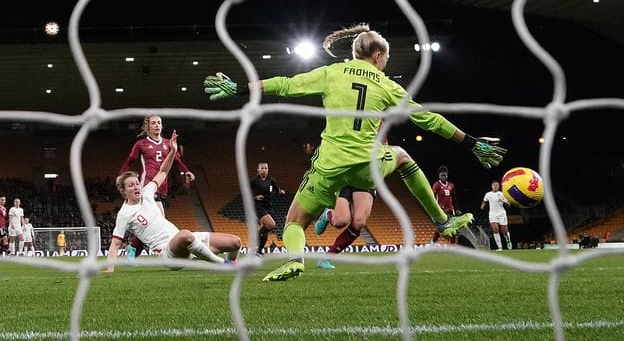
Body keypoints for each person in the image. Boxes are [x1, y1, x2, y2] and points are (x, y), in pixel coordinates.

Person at [204, 23, 506, 281]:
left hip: (330, 163)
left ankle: (296, 259)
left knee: (294, 223)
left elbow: (285, 85)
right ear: (377, 55)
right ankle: (441, 220)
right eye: (385, 58)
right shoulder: (388, 86)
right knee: (402, 156)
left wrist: (240, 90)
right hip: (369, 163)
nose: (385, 63)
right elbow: (429, 119)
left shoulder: (332, 72)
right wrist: (471, 142)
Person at [105, 130, 241, 272]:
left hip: (184, 243)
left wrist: (172, 151)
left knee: (235, 242)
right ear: (123, 191)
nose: (136, 186)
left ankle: (231, 265)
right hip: (168, 254)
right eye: (131, 185)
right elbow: (115, 243)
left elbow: (162, 172)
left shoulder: (147, 192)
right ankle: (223, 265)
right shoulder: (125, 214)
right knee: (184, 234)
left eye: (137, 183)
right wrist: (110, 269)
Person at [118, 115, 196, 260]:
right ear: (148, 127)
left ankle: (132, 251)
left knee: (155, 223)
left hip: (162, 187)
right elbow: (129, 161)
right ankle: (161, 251)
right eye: (153, 123)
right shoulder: (141, 144)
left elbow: (177, 160)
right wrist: (121, 176)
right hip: (147, 186)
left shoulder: (168, 143)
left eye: (159, 123)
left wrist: (187, 171)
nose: (157, 125)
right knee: (159, 220)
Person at [314, 186, 376, 269]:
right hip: (344, 176)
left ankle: (326, 258)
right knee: (340, 222)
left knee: (359, 223)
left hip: (364, 177)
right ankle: (328, 213)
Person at [250, 162, 286, 256]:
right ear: (258, 170)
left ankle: (258, 251)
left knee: (265, 234)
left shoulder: (271, 180)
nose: (264, 170)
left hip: (268, 206)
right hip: (259, 207)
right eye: (262, 168)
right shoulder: (254, 181)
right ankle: (256, 235)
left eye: (266, 168)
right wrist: (254, 197)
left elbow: (277, 190)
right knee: (271, 225)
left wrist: (280, 192)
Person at [480, 180, 512, 250]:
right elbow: (484, 201)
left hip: (502, 213)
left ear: (499, 186)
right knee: (495, 229)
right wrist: (482, 205)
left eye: (497, 185)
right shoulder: (488, 194)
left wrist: (503, 201)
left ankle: (508, 241)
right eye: (494, 185)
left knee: (504, 231)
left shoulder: (502, 194)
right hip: (492, 214)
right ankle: (500, 247)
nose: (495, 186)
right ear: (492, 186)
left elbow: (509, 205)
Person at [431, 166, 458, 244]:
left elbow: (454, 198)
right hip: (441, 211)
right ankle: (433, 243)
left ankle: (453, 247)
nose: (443, 176)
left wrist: (456, 209)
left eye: (444, 175)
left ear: (447, 176)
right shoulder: (436, 185)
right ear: (439, 176)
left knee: (453, 228)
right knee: (440, 228)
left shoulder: (451, 185)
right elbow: (432, 195)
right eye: (442, 175)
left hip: (450, 210)